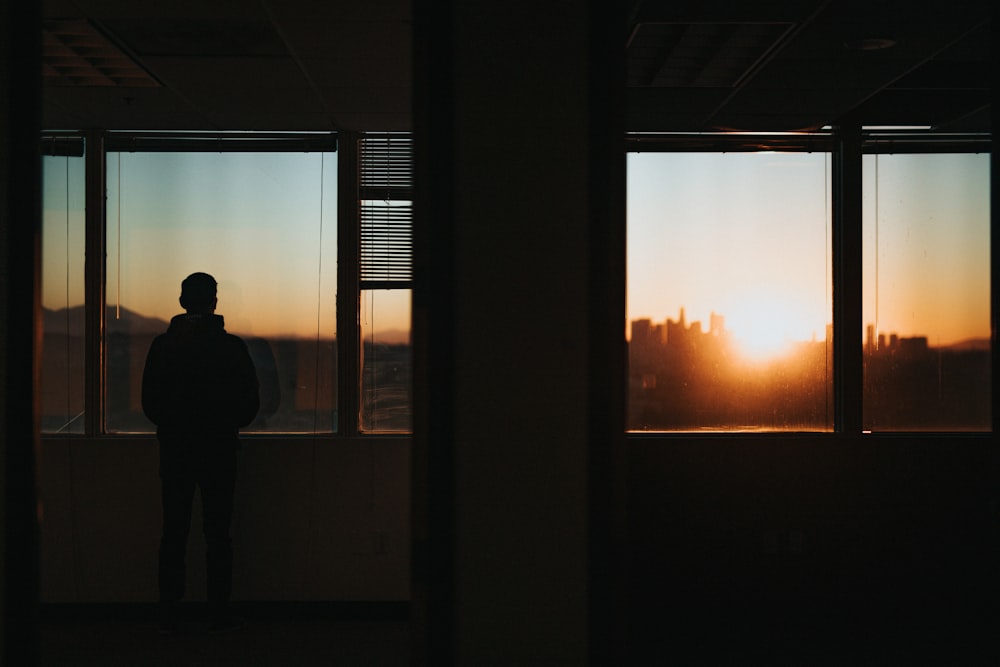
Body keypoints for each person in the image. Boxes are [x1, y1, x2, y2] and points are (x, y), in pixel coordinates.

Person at [142, 272, 260, 634]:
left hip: (176, 449)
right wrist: (222, 424)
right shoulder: (231, 347)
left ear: (181, 302)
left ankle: (169, 610)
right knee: (218, 533)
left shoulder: (163, 347)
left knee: (174, 529)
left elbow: (150, 403)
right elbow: (250, 404)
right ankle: (218, 611)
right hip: (219, 449)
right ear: (214, 303)